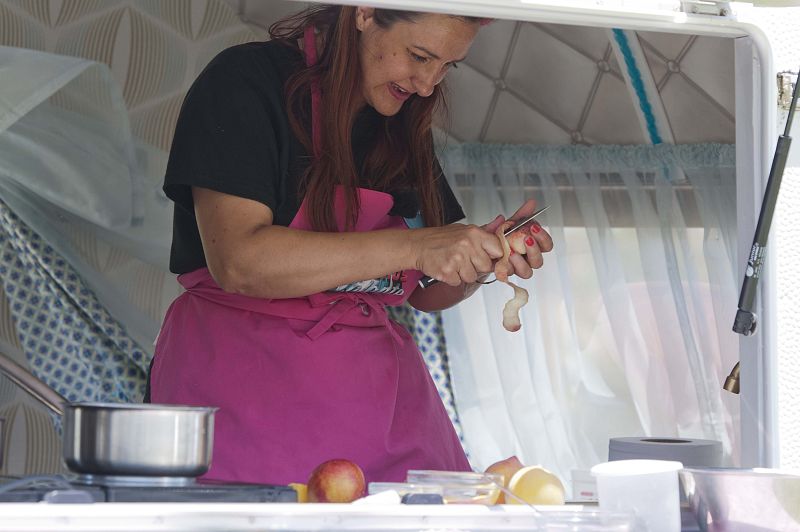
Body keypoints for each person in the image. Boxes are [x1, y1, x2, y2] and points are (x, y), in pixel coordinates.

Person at [148, 5, 554, 485]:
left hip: (382, 408)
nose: (427, 84)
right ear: (364, 12)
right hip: (247, 394)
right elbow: (240, 262)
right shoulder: (244, 82)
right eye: (419, 56)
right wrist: (415, 247)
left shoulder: (400, 119)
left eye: (446, 66)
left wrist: (484, 256)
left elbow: (426, 291)